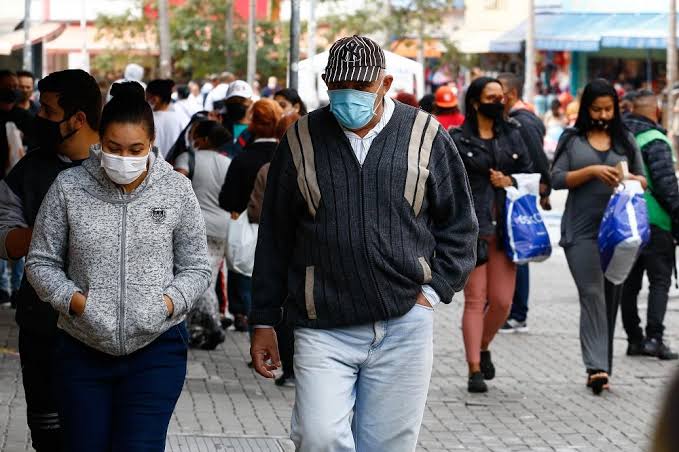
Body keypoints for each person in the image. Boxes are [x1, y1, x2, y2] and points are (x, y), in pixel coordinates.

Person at [249, 36, 477, 451]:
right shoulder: (300, 140)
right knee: (318, 438)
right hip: (323, 325)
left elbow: (460, 224)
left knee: (388, 445)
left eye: (361, 88)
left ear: (385, 84)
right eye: (339, 88)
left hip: (404, 323)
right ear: (325, 83)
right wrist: (264, 320)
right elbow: (275, 238)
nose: (348, 97)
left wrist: (433, 290)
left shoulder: (425, 135)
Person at [25, 81, 210, 451]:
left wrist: (165, 305)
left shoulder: (175, 190)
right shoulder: (69, 187)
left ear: (152, 143)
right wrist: (78, 303)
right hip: (81, 350)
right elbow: (40, 262)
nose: (123, 158)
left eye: (135, 149)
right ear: (99, 141)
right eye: (113, 148)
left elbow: (197, 267)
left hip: (157, 351)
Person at [0, 69, 101, 452]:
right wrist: (48, 226)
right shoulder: (30, 169)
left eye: (49, 110)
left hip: (102, 331)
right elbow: (4, 237)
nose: (39, 116)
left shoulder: (120, 163)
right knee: (49, 436)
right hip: (42, 328)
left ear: (77, 119)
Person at [551, 78, 646, 395]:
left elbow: (643, 181)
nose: (603, 115)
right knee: (592, 294)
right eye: (597, 109)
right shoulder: (572, 139)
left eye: (608, 109)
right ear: (586, 108)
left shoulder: (625, 139)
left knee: (610, 297)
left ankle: (602, 367)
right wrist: (592, 172)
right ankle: (596, 366)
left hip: (618, 234)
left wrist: (627, 177)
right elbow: (556, 178)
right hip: (581, 232)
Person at [450, 76, 534, 393]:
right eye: (491, 96)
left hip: (508, 227)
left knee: (502, 302)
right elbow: (448, 183)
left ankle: (483, 345)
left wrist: (510, 181)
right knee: (475, 300)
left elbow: (529, 173)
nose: (498, 101)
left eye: (501, 96)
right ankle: (473, 368)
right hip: (474, 229)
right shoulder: (458, 138)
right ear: (475, 101)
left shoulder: (513, 134)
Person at [621, 90, 679, 360]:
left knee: (629, 283)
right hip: (655, 221)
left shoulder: (619, 137)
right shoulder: (656, 139)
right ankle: (655, 338)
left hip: (626, 221)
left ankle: (634, 338)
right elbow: (667, 184)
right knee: (659, 281)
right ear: (655, 110)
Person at [246, 111, 300, 386]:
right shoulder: (306, 166)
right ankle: (291, 368)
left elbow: (256, 211)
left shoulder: (269, 169)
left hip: (284, 256)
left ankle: (289, 367)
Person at [219, 98, 282, 332]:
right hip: (277, 232)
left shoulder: (242, 159)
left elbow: (226, 199)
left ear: (253, 124)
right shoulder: (284, 156)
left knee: (241, 270)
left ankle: (241, 312)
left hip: (245, 228)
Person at [497, 72, 551, 334]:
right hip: (520, 191)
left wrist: (545, 189)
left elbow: (538, 159)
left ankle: (518, 313)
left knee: (521, 249)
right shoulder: (523, 119)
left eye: (500, 94)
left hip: (521, 193)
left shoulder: (522, 123)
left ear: (512, 94)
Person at [174, 120, 232, 349]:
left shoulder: (187, 158)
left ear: (204, 139)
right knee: (210, 277)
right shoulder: (228, 163)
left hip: (195, 227)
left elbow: (176, 187)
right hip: (222, 229)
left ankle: (211, 325)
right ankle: (202, 327)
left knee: (199, 279)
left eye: (194, 133)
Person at [146, 79, 187, 158]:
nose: (145, 100)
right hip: (175, 166)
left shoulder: (146, 119)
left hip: (151, 166)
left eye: (147, 97)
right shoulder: (182, 118)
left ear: (155, 99)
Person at [220, 80, 254, 158]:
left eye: (241, 101)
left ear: (250, 102)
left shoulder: (257, 129)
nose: (236, 104)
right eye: (233, 101)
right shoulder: (220, 127)